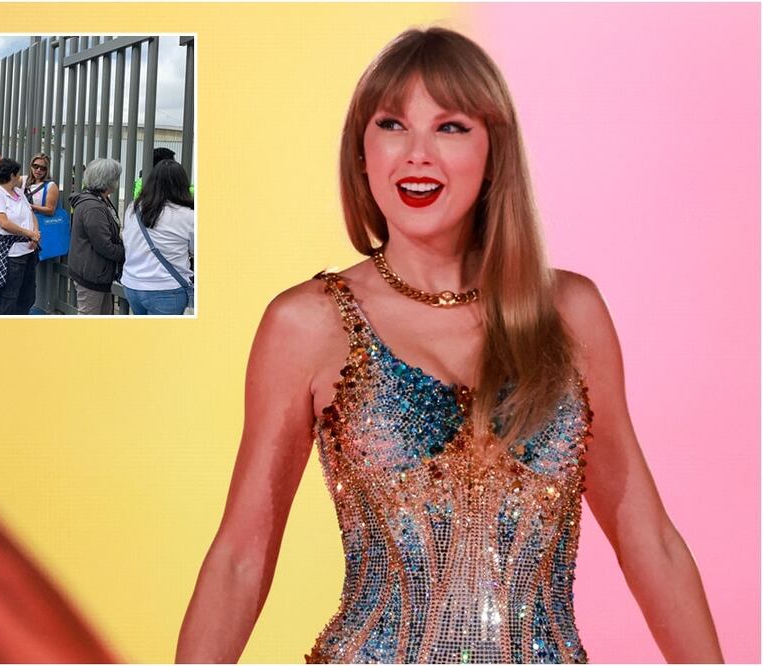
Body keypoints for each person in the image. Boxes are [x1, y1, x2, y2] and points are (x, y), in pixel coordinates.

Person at [175, 28, 722, 664]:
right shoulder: (307, 324)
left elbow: (646, 536)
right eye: (391, 124)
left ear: (495, 152)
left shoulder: (570, 314)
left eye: (451, 127)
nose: (417, 154)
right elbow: (242, 557)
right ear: (362, 153)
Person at [120, 159, 195, 315]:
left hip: (132, 284)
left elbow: (127, 240)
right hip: (167, 288)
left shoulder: (133, 208)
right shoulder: (188, 215)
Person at [68, 158, 124, 316]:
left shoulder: (98, 200)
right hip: (92, 273)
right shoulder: (93, 206)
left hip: (95, 271)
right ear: (108, 180)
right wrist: (125, 253)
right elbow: (103, 245)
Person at [0, 157, 40, 315]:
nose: (20, 177)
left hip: (28, 250)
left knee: (27, 293)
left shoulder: (18, 192)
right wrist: (29, 233)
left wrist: (35, 234)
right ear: (11, 176)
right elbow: (4, 223)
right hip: (12, 254)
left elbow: (30, 213)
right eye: (17, 174)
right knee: (9, 295)